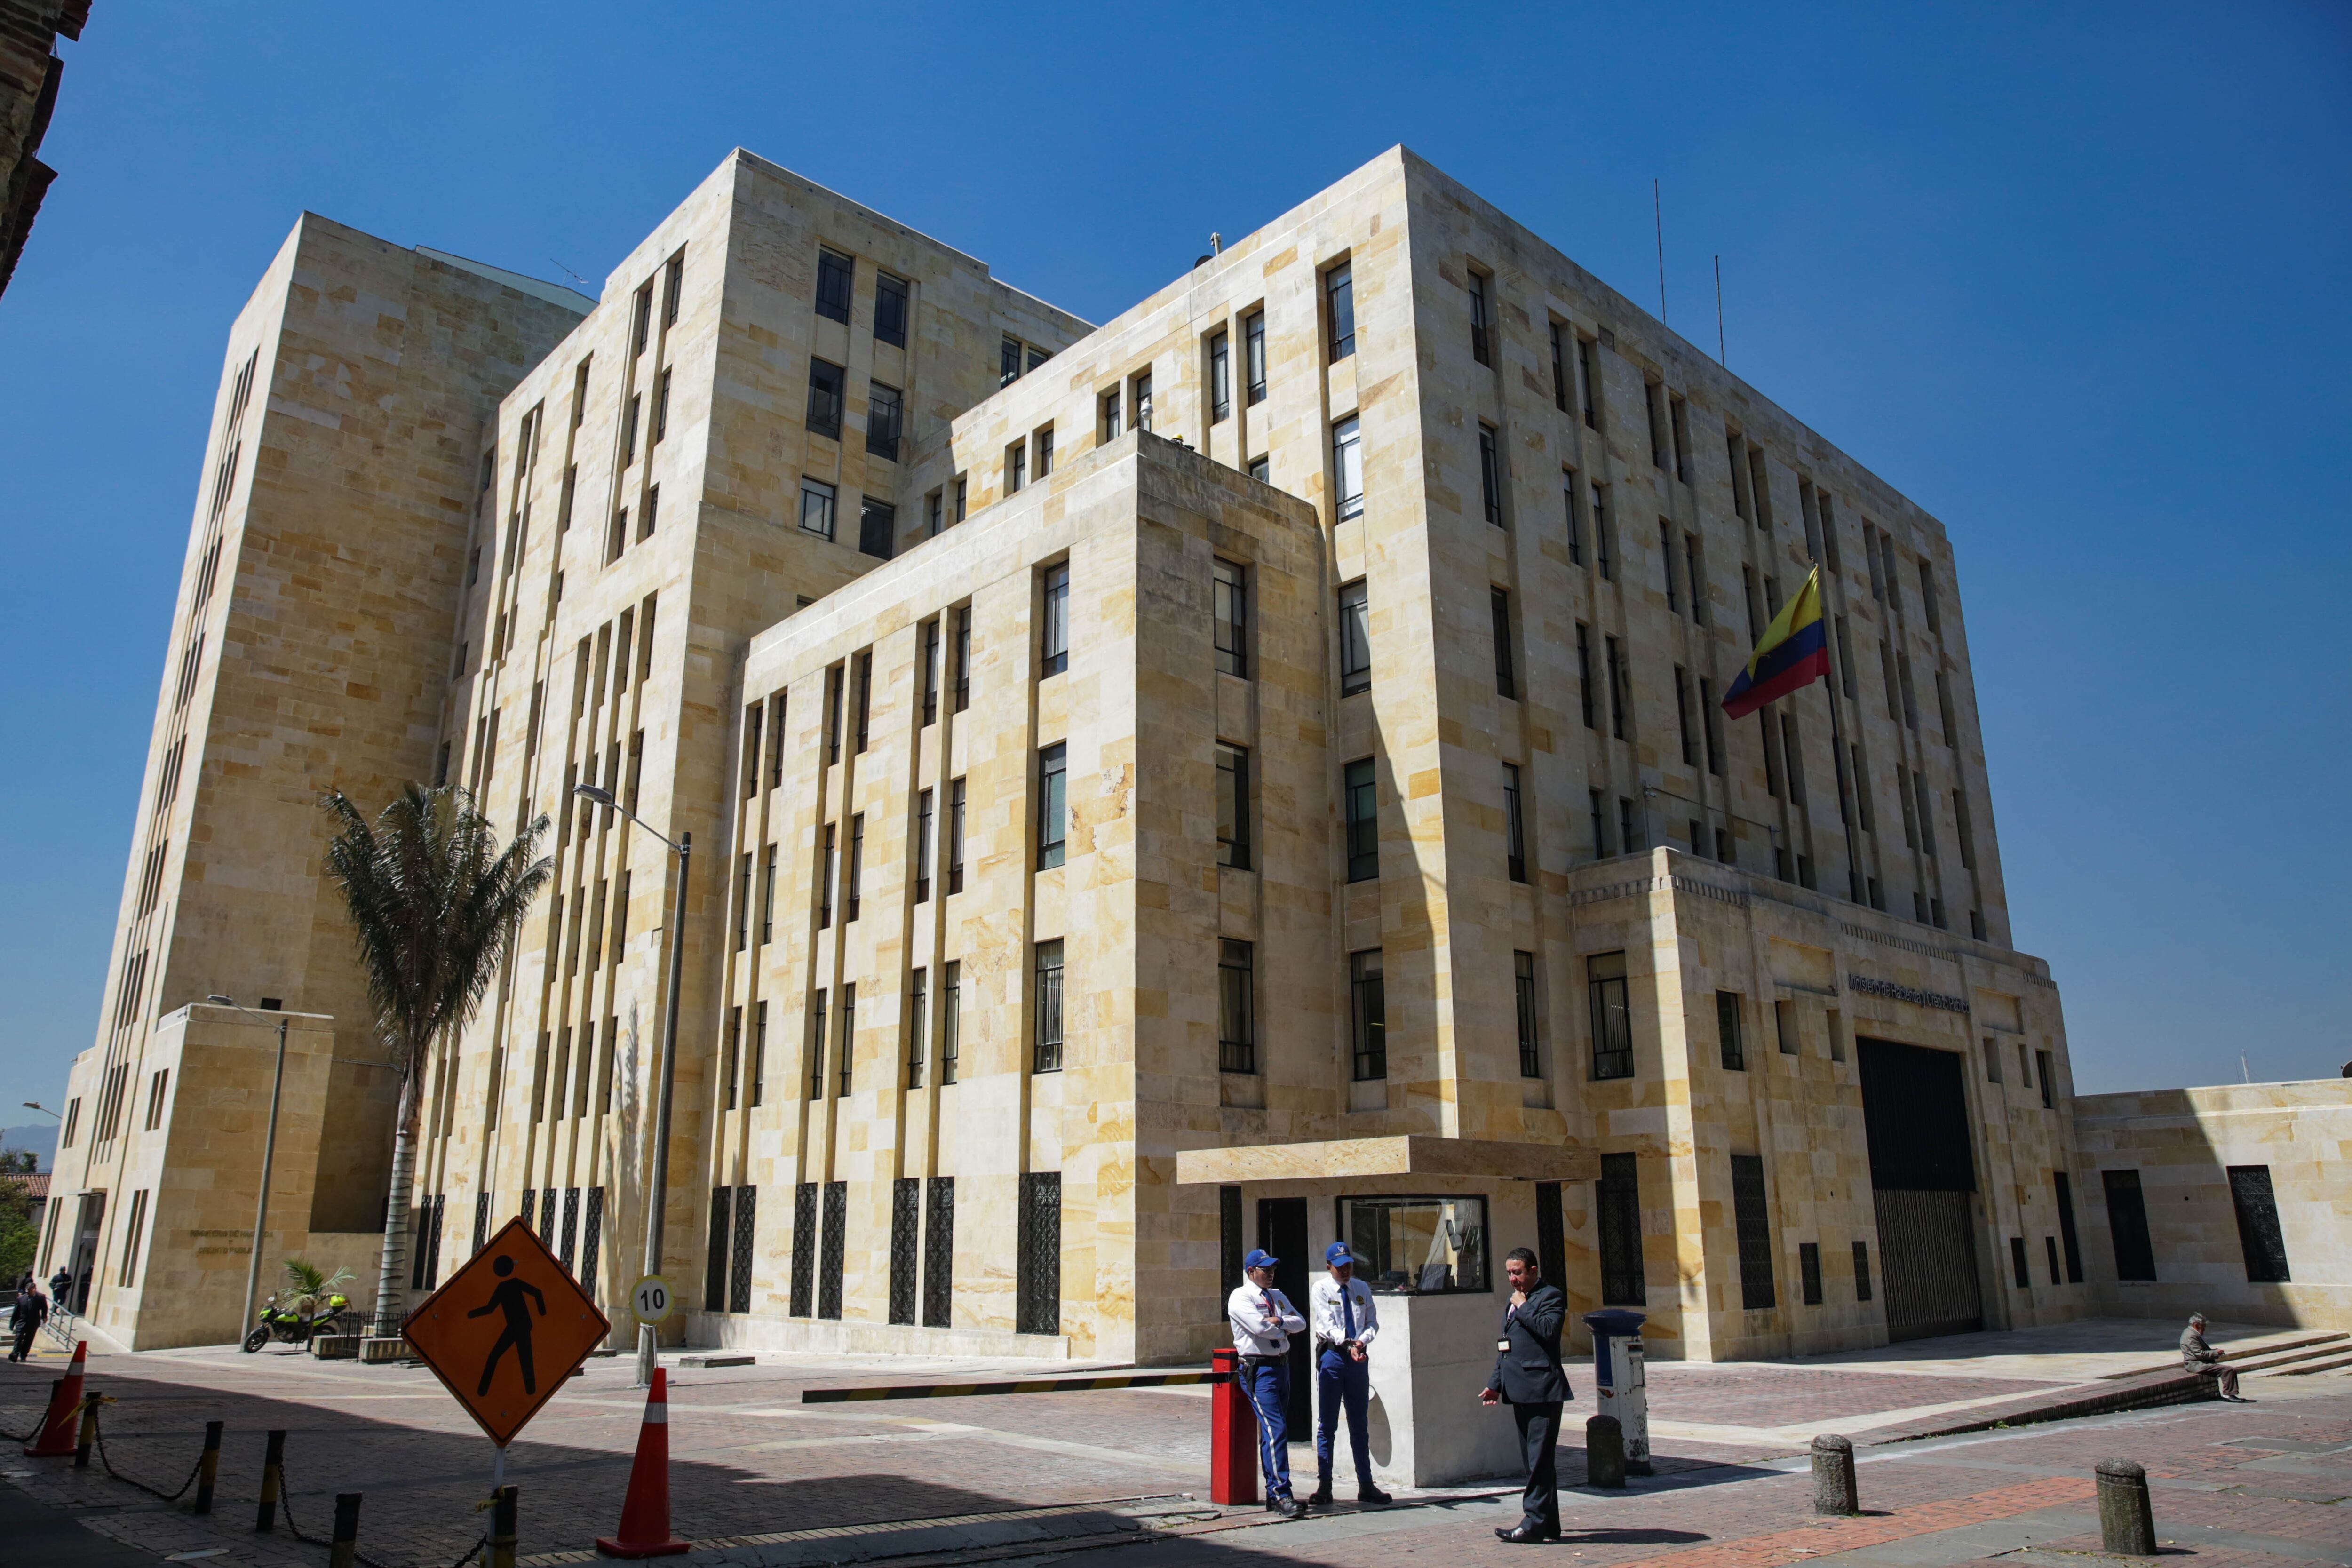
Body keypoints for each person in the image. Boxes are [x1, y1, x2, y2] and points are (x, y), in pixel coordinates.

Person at [1479, 1246, 1572, 1543]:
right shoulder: (1514, 1301)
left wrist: (1523, 1305)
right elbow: (1506, 1346)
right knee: (1535, 1461)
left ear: (1533, 1271)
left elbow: (1548, 1332)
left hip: (1542, 1391)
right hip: (1519, 1389)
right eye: (1508, 1273)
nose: (1513, 1279)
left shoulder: (1551, 1297)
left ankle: (1533, 1523)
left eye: (1517, 1272)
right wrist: (1496, 1382)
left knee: (1539, 1461)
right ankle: (1549, 1525)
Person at [1307, 1242, 1392, 1507]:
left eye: (1349, 1266)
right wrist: (1347, 1344)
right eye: (1339, 1266)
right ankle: (1325, 1486)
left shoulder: (1362, 1288)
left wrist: (1361, 1342)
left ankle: (1366, 1484)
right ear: (1328, 1266)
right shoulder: (1321, 1289)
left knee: (1360, 1424)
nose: (1345, 1270)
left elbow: (1372, 1322)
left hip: (1358, 1358)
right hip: (1333, 1356)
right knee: (1328, 1425)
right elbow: (1327, 1324)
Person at [1228, 1247, 1307, 1519]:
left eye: (1273, 1269)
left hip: (1281, 1367)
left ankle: (1275, 1492)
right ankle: (1282, 1493)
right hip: (1259, 1369)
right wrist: (1281, 1326)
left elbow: (1301, 1323)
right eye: (1265, 1269)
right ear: (1251, 1272)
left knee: (1273, 1431)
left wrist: (1280, 1320)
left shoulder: (1278, 1296)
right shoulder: (1241, 1297)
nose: (1271, 1273)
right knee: (1276, 1429)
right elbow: (1260, 1329)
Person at [2182, 1312, 2249, 1402]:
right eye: (2203, 1327)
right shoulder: (2191, 1335)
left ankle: (2230, 1394)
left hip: (2199, 1363)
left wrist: (2214, 1351)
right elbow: (2200, 1354)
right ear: (2196, 1325)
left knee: (2226, 1370)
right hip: (2195, 1364)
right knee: (2228, 1370)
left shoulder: (2191, 1333)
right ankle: (2228, 1395)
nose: (2204, 1329)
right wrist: (2215, 1353)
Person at [8, 1281, 47, 1361]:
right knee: (19, 1338)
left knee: (28, 1340)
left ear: (34, 1289)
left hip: (33, 1323)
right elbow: (16, 1312)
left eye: (29, 1290)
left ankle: (23, 1356)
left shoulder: (41, 1297)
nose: (28, 1292)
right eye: (27, 1290)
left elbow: (44, 1308)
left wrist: (44, 1317)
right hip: (22, 1322)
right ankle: (15, 1355)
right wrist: (12, 1324)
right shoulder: (21, 1299)